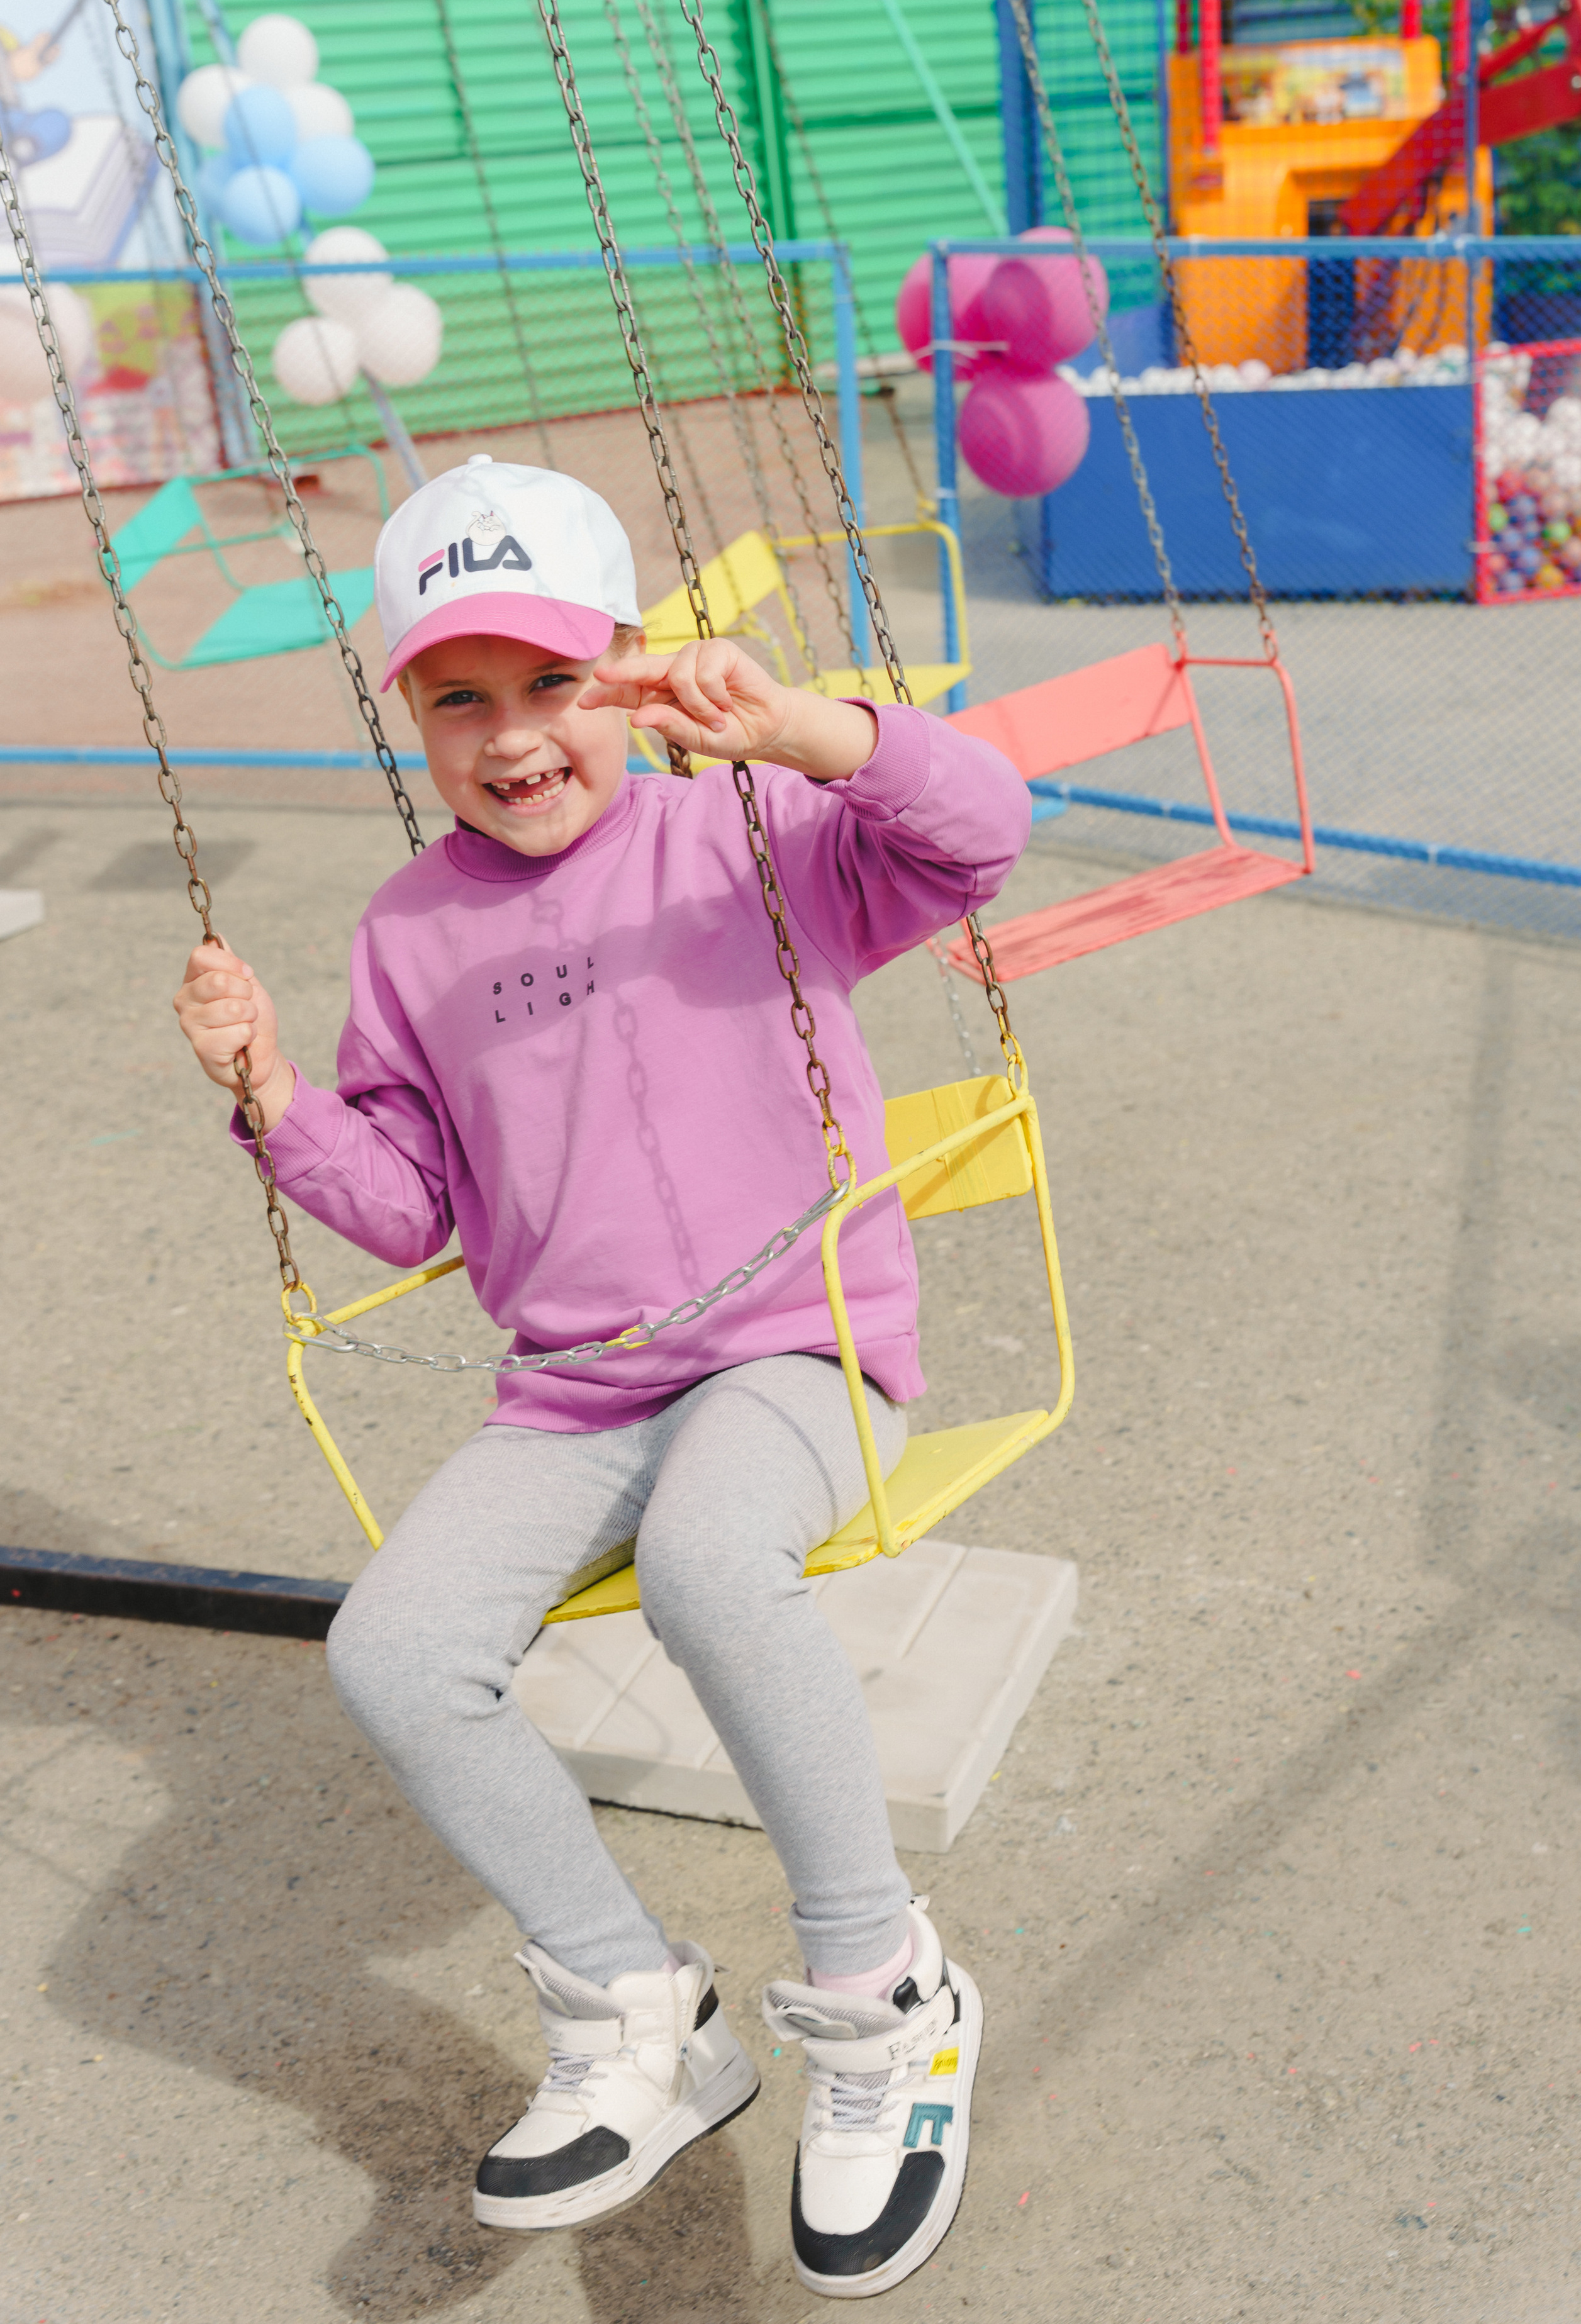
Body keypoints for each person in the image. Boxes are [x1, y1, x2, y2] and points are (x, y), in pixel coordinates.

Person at [172, 457, 1031, 2298]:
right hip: (573, 1390)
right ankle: (641, 2010)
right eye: (459, 699)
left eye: (552, 685)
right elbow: (412, 1210)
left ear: (631, 672)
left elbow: (980, 832)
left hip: (799, 1349)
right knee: (392, 1648)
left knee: (724, 1564)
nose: (511, 740)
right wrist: (273, 1102)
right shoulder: (411, 935)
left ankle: (887, 1999)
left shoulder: (751, 835)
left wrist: (803, 724)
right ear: (411, 709)